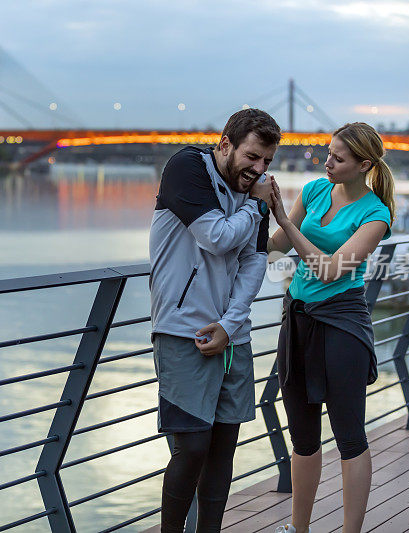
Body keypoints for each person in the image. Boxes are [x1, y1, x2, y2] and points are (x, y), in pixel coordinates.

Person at [149, 108, 281, 532]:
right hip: (183, 330)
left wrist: (231, 323)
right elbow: (217, 237)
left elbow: (254, 263)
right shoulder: (187, 167)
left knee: (224, 447)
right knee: (192, 447)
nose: (259, 170)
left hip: (233, 334)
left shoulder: (252, 193)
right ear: (226, 144)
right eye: (252, 157)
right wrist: (257, 206)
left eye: (267, 163)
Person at [267, 122, 394, 533]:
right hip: (298, 321)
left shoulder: (376, 214)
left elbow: (330, 270)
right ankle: (298, 529)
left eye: (338, 158)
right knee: (302, 438)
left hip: (342, 325)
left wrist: (286, 222)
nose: (328, 162)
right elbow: (274, 248)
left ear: (364, 165)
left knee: (349, 437)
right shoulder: (314, 191)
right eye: (328, 152)